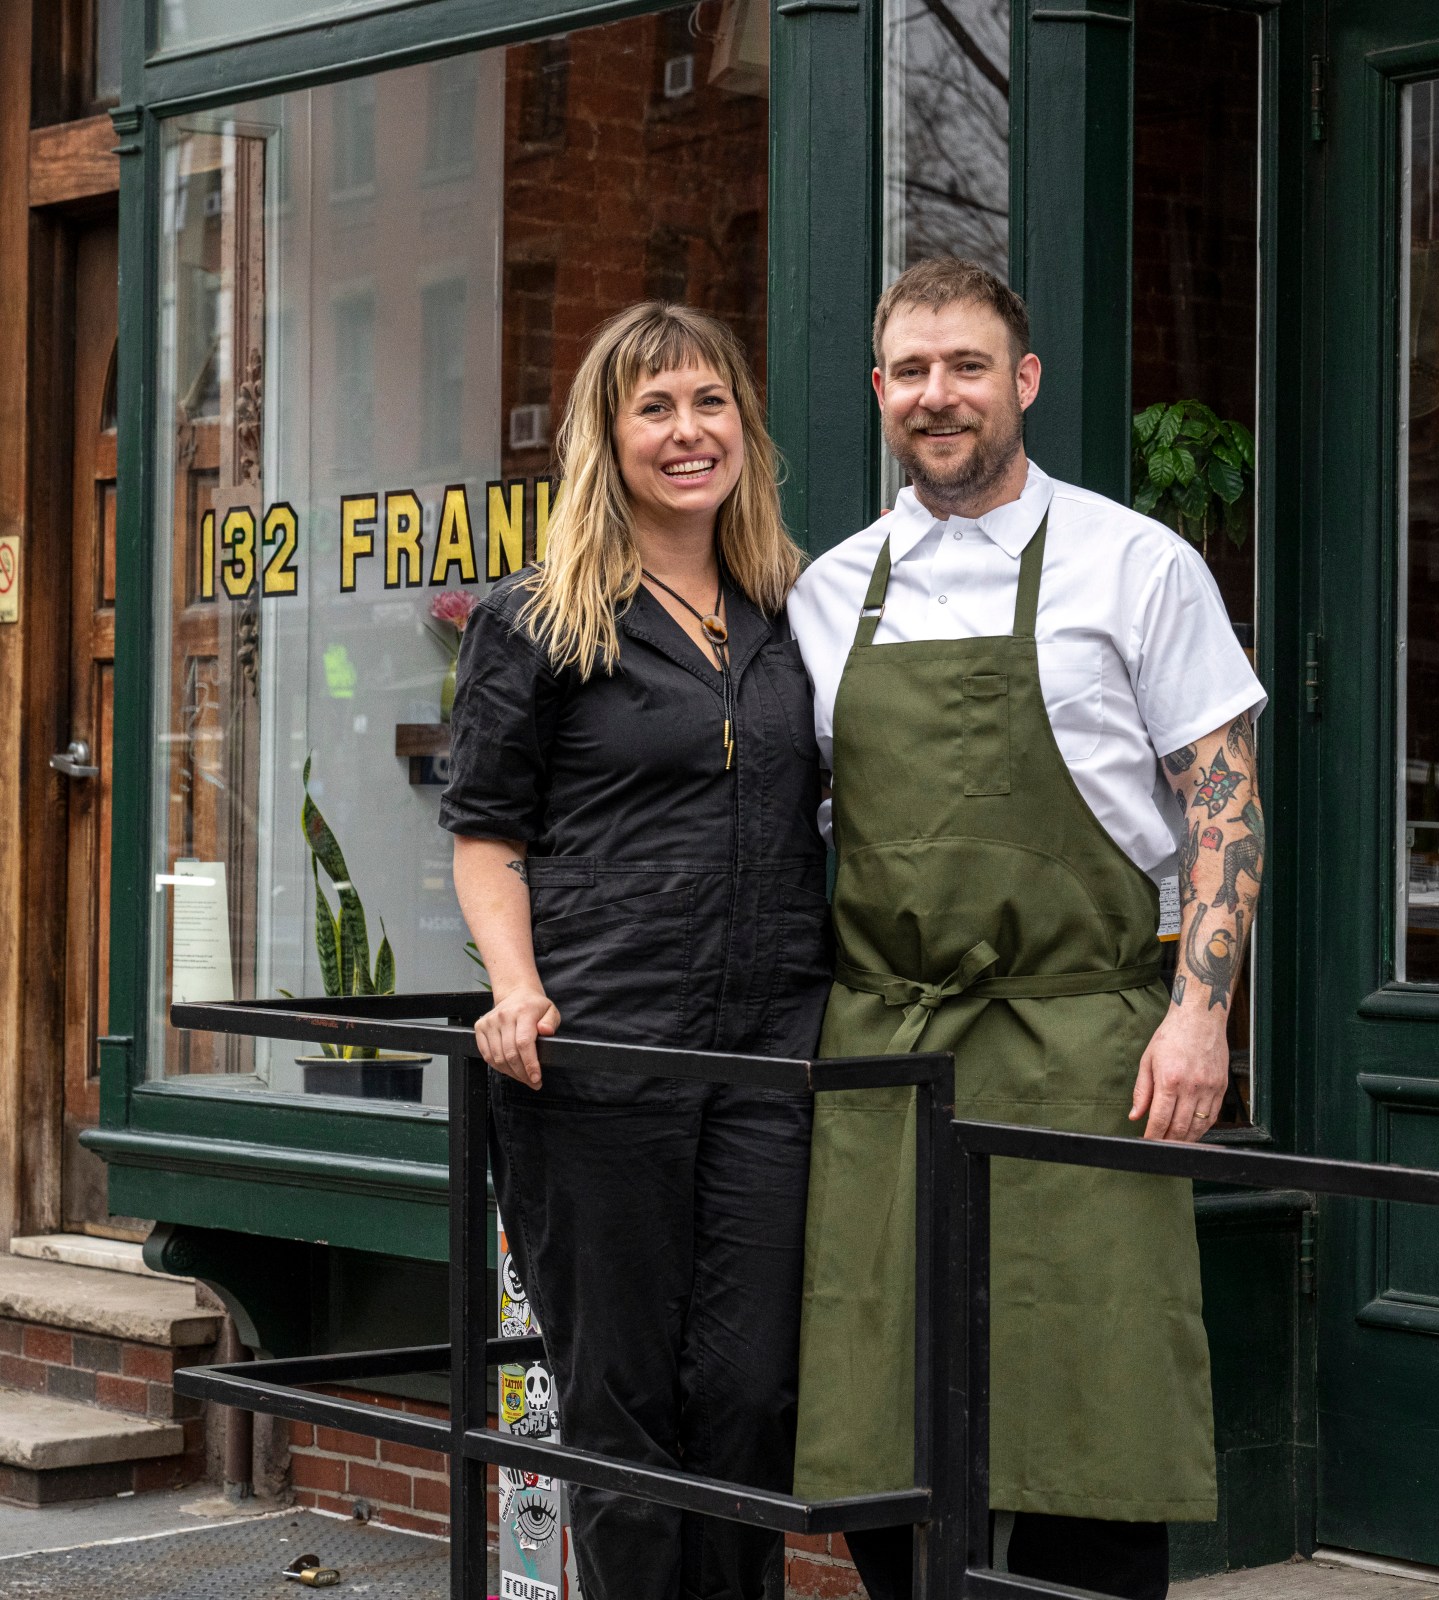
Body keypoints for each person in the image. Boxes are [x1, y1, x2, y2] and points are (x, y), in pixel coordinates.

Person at [788, 257, 1266, 1600]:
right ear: (881, 391)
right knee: (879, 1400)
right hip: (884, 1053)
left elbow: (1225, 808)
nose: (941, 396)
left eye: (969, 366)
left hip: (1085, 1045)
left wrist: (1201, 1012)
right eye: (914, 371)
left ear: (1025, 382)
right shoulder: (830, 593)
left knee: (1092, 1407)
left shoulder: (1137, 564)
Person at [445, 301, 832, 1600]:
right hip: (602, 1060)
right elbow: (486, 838)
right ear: (607, 438)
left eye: (710, 402)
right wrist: (517, 990)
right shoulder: (540, 621)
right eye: (655, 407)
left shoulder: (791, 610)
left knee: (749, 1390)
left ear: (744, 427)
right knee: (621, 1405)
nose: (687, 431)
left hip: (774, 1058)